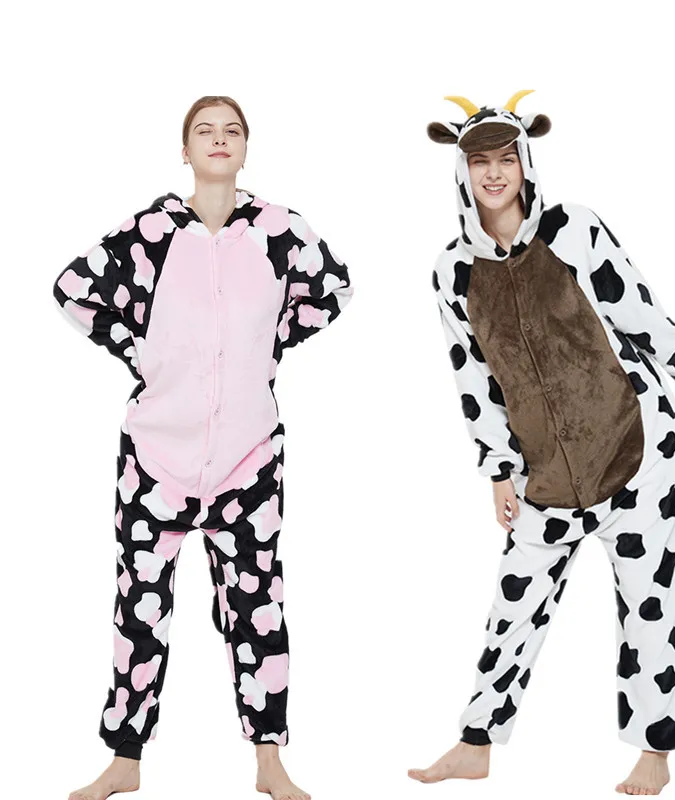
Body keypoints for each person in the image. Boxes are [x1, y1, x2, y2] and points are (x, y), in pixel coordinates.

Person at [407, 90, 675, 795]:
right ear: (462, 171)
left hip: (638, 448)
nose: (494, 173)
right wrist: (499, 469)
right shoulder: (451, 271)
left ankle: (655, 751)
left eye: (506, 159)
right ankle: (475, 742)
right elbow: (474, 379)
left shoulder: (574, 230)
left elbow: (639, 311)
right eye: (479, 162)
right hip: (547, 476)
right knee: (514, 606)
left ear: (525, 163)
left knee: (651, 604)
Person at [55, 95, 353, 800]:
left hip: (248, 458)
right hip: (155, 456)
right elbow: (72, 289)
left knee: (259, 609)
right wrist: (141, 352)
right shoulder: (151, 230)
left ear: (246, 147)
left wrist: (268, 346)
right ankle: (125, 758)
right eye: (204, 131)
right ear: (184, 150)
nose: (219, 140)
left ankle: (269, 759)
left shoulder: (278, 230)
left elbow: (334, 289)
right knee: (140, 608)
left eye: (232, 130)